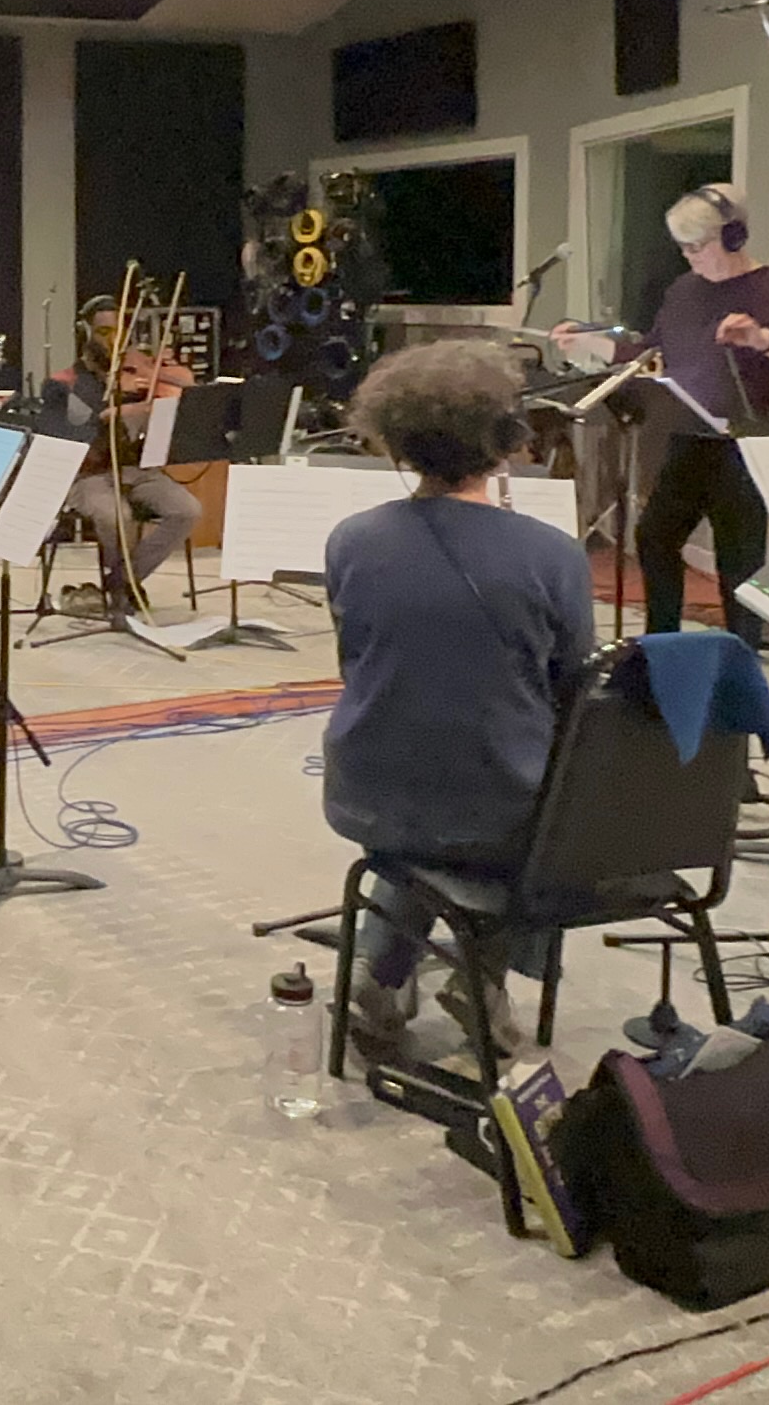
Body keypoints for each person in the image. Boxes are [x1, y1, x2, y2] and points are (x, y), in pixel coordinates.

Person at [320, 344, 597, 1061]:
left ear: (396, 442)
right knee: (545, 800)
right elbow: (575, 686)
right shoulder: (554, 554)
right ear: (505, 442)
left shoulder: (351, 541)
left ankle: (382, 976)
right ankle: (486, 976)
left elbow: (357, 661)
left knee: (422, 813)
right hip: (497, 804)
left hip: (368, 789)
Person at [553, 185, 769, 642]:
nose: (690, 257)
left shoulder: (768, 287)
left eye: (697, 246)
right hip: (689, 437)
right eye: (683, 248)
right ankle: (663, 645)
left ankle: (740, 657)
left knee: (738, 562)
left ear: (733, 237)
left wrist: (762, 338)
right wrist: (592, 345)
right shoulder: (683, 290)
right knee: (655, 537)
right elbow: (652, 352)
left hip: (745, 446)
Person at [47, 298, 202, 614]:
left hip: (138, 469)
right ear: (86, 332)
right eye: (104, 332)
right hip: (90, 475)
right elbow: (74, 432)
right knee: (116, 517)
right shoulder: (65, 382)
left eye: (119, 331)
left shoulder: (135, 370)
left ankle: (121, 582)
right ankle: (124, 589)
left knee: (187, 510)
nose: (113, 340)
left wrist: (147, 372)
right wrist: (115, 407)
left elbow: (187, 383)